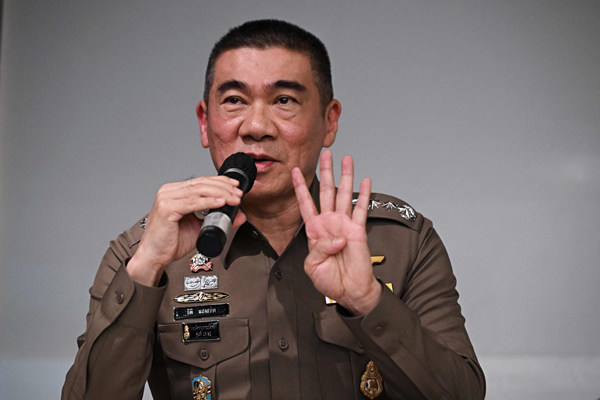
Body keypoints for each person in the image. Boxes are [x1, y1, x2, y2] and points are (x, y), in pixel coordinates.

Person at [62, 19, 485, 400]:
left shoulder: (402, 240)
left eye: (284, 100)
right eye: (234, 101)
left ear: (329, 120)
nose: (256, 126)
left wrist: (367, 301)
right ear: (204, 123)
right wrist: (145, 270)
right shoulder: (143, 249)